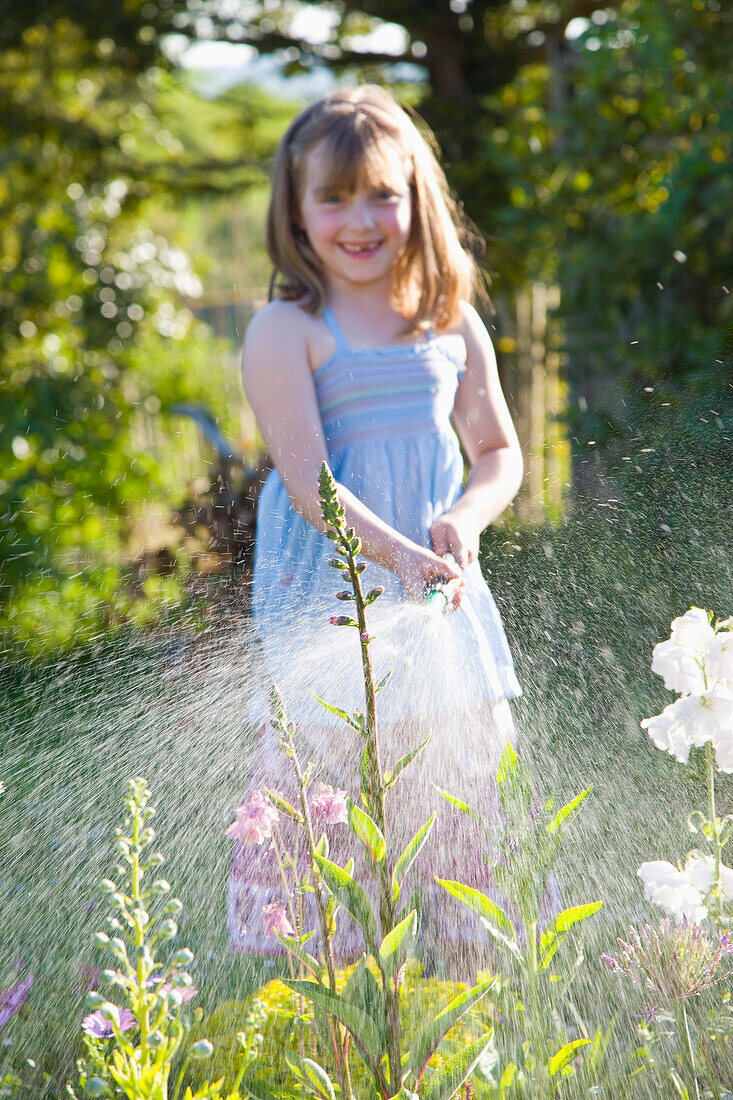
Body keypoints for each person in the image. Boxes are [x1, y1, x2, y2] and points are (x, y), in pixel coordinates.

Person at [228, 84, 524, 972]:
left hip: (437, 616)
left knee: (456, 817)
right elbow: (309, 481)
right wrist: (395, 555)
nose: (360, 219)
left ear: (415, 197)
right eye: (334, 197)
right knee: (324, 824)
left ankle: (462, 1021)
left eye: (381, 194)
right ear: (297, 211)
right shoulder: (288, 330)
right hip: (333, 613)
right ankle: (336, 1018)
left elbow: (498, 452)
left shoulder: (449, 322)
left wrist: (463, 521)